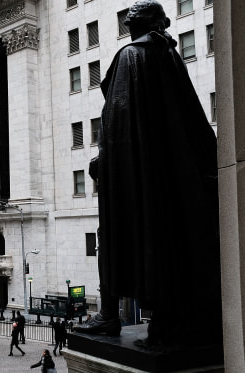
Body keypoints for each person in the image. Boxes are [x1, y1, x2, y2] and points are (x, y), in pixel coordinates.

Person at [75, 0, 222, 349]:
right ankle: (154, 318)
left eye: (132, 16)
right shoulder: (167, 56)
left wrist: (105, 161)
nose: (127, 19)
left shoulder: (132, 57)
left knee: (113, 239)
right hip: (164, 175)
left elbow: (118, 117)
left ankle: (111, 315)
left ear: (138, 23)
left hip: (132, 177)